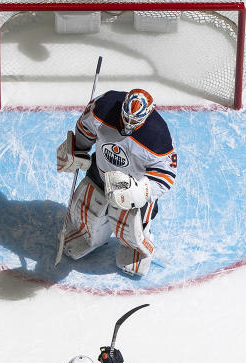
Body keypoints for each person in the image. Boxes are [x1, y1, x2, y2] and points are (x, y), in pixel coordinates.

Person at [56, 88, 178, 277]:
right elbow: (86, 127)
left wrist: (141, 191)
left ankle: (135, 249)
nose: (128, 124)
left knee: (129, 224)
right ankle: (88, 236)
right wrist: (77, 149)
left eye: (134, 120)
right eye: (126, 116)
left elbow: (166, 175)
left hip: (131, 184)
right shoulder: (104, 106)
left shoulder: (157, 135)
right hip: (101, 170)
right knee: (85, 207)